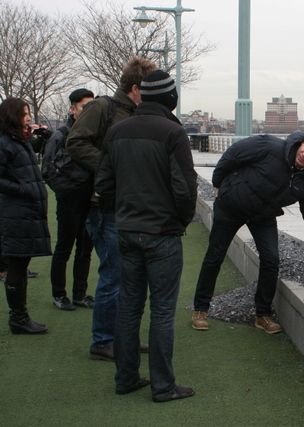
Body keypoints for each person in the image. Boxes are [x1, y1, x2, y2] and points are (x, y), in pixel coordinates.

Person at [95, 70, 198, 402]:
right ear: (171, 99)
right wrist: (179, 221)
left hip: (126, 230)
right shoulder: (173, 132)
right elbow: (185, 189)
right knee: (163, 310)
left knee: (128, 306)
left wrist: (123, 211)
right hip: (162, 234)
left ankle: (125, 378)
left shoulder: (117, 131)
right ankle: (163, 386)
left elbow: (103, 184)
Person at [192, 132, 304, 334]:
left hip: (263, 215)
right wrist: (218, 184)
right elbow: (233, 154)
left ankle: (262, 314)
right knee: (215, 255)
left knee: (271, 260)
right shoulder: (269, 146)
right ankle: (201, 309)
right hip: (232, 205)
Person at [67, 57, 157, 360]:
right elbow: (75, 142)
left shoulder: (136, 112)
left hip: (128, 206)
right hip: (104, 207)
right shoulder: (103, 107)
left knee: (130, 275)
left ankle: (122, 338)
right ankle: (103, 341)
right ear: (136, 88)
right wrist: (112, 168)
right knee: (114, 274)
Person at [0, 97, 51, 334]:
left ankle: (20, 316)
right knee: (17, 266)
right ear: (12, 115)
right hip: (15, 211)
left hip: (24, 211)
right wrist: (23, 190)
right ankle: (18, 318)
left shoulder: (19, 140)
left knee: (20, 264)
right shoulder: (5, 142)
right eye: (24, 113)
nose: (28, 116)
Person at [47, 88, 95, 311]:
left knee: (85, 250)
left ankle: (80, 293)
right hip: (69, 201)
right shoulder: (60, 135)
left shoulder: (93, 135)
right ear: (72, 108)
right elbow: (46, 170)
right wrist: (64, 191)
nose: (88, 112)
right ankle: (59, 294)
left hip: (90, 201)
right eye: (85, 107)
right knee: (64, 248)